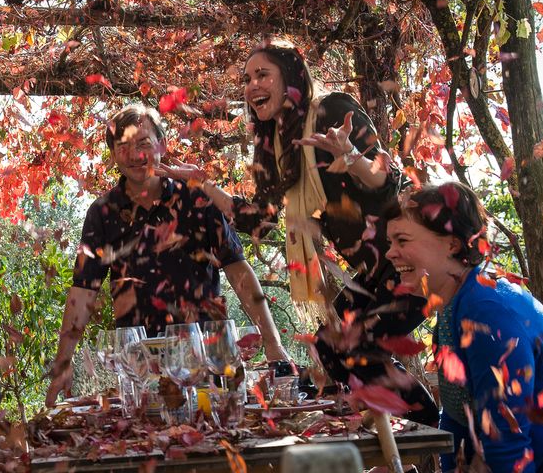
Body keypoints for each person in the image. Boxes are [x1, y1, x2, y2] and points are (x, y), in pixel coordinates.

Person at [158, 38, 436, 422]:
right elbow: (259, 218)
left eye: (262, 74)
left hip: (416, 252)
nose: (252, 85)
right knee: (329, 346)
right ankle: (410, 430)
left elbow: (386, 182)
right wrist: (204, 183)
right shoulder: (276, 143)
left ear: (291, 78)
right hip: (376, 266)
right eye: (247, 78)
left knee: (360, 346)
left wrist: (352, 158)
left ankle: (428, 430)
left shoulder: (332, 110)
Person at [45, 104, 289, 407]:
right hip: (143, 368)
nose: (135, 155)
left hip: (208, 358)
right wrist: (63, 362)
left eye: (143, 143)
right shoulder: (102, 213)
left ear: (162, 144)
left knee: (217, 440)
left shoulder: (198, 198)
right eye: (123, 146)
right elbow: (83, 292)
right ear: (113, 154)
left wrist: (272, 343)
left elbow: (238, 271)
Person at [385, 181, 543, 472]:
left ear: (451, 243)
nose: (390, 253)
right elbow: (457, 417)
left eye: (402, 241)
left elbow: (506, 445)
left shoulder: (485, 312)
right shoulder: (454, 306)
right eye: (390, 242)